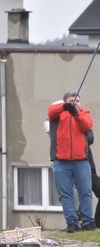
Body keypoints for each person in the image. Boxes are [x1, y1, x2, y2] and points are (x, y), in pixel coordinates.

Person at [47, 91, 96, 232]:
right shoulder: (58, 114)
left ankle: (88, 222)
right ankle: (72, 223)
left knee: (85, 192)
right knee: (66, 193)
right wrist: (65, 107)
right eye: (72, 100)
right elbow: (50, 111)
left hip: (81, 161)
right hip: (61, 161)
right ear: (65, 102)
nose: (76, 103)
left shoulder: (84, 113)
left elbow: (86, 126)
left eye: (77, 100)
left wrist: (76, 113)